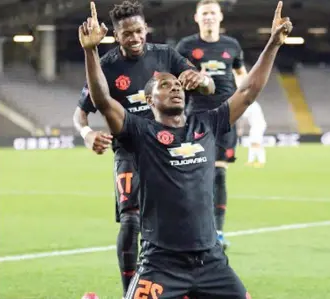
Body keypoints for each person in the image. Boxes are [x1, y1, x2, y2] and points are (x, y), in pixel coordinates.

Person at [79, 1, 292, 298]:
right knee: (129, 222)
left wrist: (272, 44)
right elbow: (102, 100)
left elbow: (247, 91)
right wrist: (91, 51)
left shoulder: (207, 124)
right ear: (150, 100)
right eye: (165, 85)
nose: (175, 86)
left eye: (177, 84)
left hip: (212, 263)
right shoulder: (140, 134)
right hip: (162, 265)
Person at [73, 1, 215, 297]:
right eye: (127, 33)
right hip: (131, 152)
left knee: (174, 216)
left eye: (139, 31)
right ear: (115, 34)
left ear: (145, 29)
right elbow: (81, 112)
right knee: (131, 219)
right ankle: (131, 291)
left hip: (170, 151)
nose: (135, 38)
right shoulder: (108, 67)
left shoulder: (166, 56)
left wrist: (201, 80)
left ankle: (184, 283)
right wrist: (87, 133)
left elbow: (208, 87)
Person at [176, 0, 248, 249]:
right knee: (194, 175)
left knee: (218, 174)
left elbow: (241, 74)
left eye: (212, 13)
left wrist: (245, 98)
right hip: (196, 116)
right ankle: (192, 227)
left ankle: (217, 232)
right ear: (196, 18)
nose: (208, 17)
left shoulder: (232, 46)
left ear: (220, 17)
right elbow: (174, 77)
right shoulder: (186, 46)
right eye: (204, 13)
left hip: (227, 117)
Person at [238, 101, 267, 167]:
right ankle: (250, 161)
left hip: (258, 125)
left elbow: (243, 117)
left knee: (256, 143)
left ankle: (261, 162)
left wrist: (241, 128)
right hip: (255, 125)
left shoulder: (251, 105)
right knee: (252, 143)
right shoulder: (252, 104)